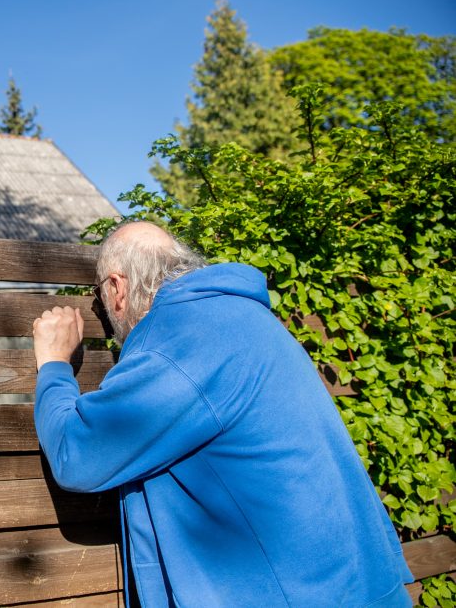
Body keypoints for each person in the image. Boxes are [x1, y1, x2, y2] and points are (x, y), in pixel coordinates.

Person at [31, 221, 413, 607]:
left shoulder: (179, 340)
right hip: (353, 584)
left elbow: (77, 454)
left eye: (98, 294)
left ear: (117, 288)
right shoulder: (241, 316)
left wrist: (54, 364)